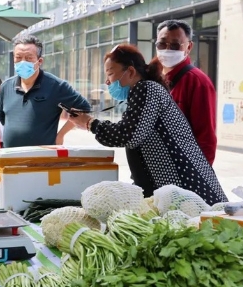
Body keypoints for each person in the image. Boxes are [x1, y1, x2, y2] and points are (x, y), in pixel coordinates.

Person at [68, 44, 227, 205]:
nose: (107, 82)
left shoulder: (146, 89)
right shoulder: (144, 92)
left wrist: (90, 123)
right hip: (174, 190)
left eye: (110, 74)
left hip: (186, 187)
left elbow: (129, 135)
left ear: (130, 71)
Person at [0, 35, 91, 147]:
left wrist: (60, 135)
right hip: (9, 157)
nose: (22, 62)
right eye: (18, 57)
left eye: (28, 58)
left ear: (39, 61)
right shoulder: (6, 87)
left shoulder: (55, 86)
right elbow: (2, 116)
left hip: (42, 158)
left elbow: (84, 109)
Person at [156, 19, 217, 165]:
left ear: (189, 47)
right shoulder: (154, 78)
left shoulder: (198, 82)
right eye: (162, 44)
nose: (167, 49)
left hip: (182, 170)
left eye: (175, 45)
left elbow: (206, 138)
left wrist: (199, 177)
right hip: (156, 167)